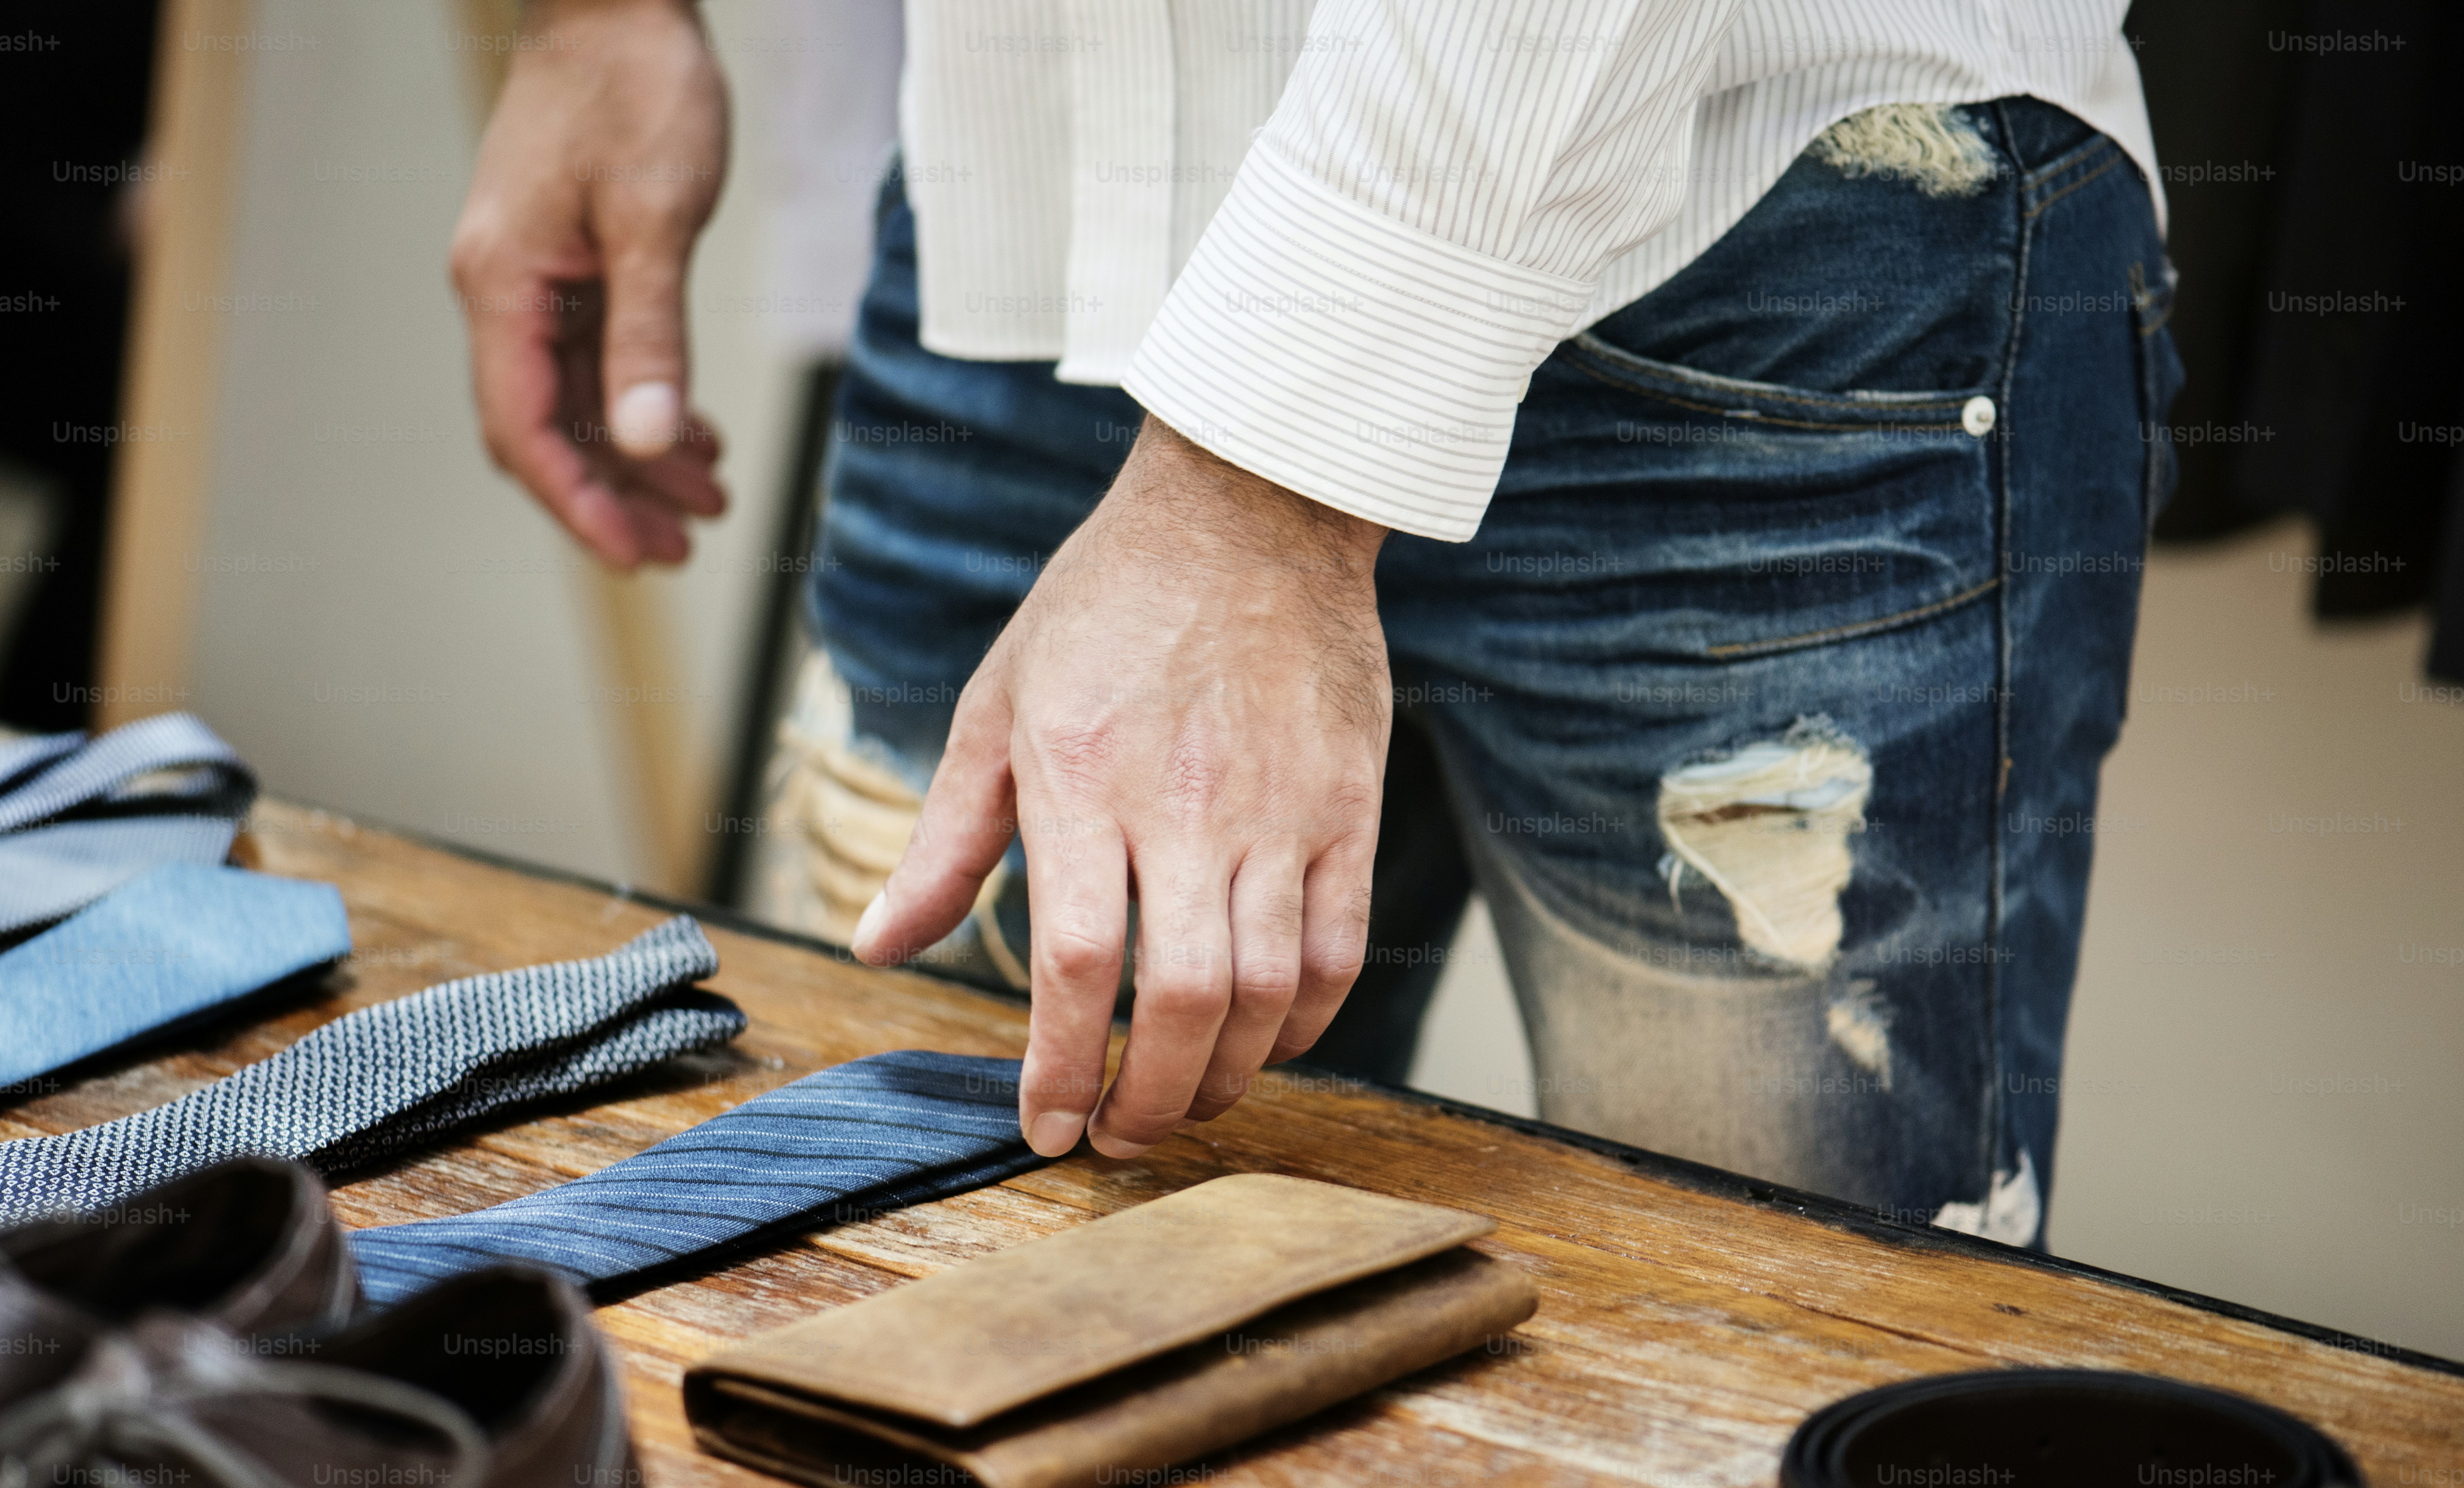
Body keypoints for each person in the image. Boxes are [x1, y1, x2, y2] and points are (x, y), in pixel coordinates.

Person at [450, 0, 2177, 1250]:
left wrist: (1260, 478)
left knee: (1757, 1407)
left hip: (1754, 242)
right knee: (913, 1309)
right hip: (1044, 215)